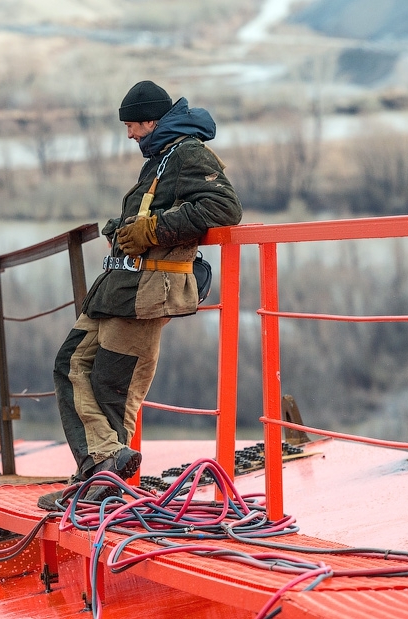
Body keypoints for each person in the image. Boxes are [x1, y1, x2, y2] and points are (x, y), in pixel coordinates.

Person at [38, 80, 242, 510]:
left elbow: (224, 208)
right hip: (116, 290)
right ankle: (101, 464)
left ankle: (104, 487)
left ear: (152, 120)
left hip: (144, 295)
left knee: (113, 385)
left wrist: (152, 229)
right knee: (69, 364)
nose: (129, 133)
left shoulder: (187, 152)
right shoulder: (160, 157)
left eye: (132, 124)